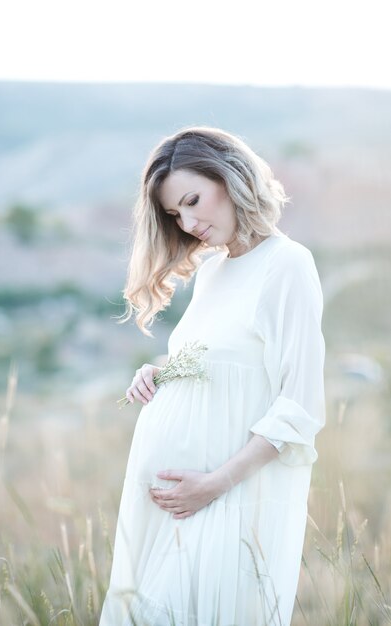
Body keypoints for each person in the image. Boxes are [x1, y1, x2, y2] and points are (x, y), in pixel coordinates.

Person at [99, 126, 326, 626]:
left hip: (227, 499)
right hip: (174, 504)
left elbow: (299, 406)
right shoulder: (212, 272)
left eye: (193, 199)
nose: (189, 221)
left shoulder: (287, 265)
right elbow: (220, 363)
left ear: (231, 176)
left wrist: (214, 485)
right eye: (176, 213)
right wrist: (158, 373)